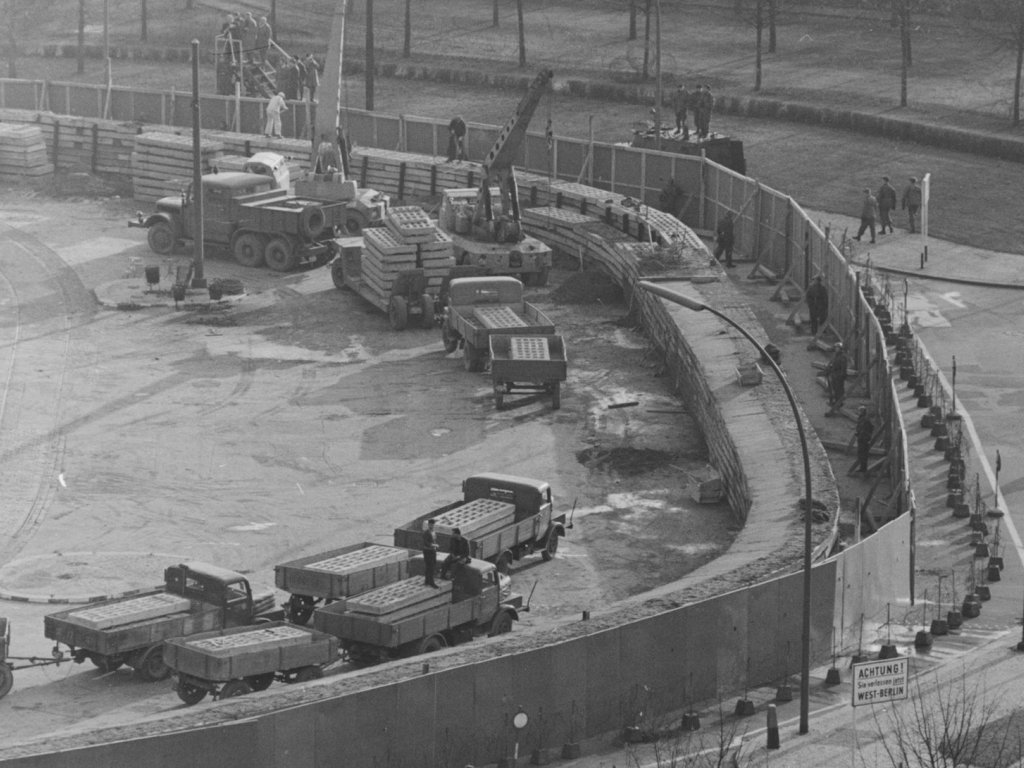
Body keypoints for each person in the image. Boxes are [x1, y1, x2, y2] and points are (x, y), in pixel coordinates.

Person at [825, 342, 848, 414]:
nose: (836, 349)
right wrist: (829, 369)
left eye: (837, 348)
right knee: (833, 389)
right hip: (834, 375)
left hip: (839, 376)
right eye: (836, 348)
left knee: (839, 390)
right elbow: (833, 364)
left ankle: (839, 403)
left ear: (840, 349)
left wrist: (841, 376)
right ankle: (834, 402)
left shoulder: (843, 357)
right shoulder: (835, 356)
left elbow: (843, 368)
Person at [854, 406, 875, 473]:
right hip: (861, 438)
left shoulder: (865, 420)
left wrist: (864, 435)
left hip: (863, 439)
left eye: (860, 411)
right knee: (861, 453)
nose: (858, 412)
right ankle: (862, 468)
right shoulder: (862, 419)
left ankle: (863, 469)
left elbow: (869, 428)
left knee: (863, 454)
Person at [422, 519, 440, 588]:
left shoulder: (433, 532)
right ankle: (431, 582)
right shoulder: (426, 533)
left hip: (433, 551)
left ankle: (427, 581)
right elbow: (426, 542)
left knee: (431, 566)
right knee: (430, 566)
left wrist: (435, 546)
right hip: (428, 551)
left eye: (433, 524)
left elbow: (434, 540)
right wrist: (433, 545)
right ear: (428, 525)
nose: (432, 526)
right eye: (430, 524)